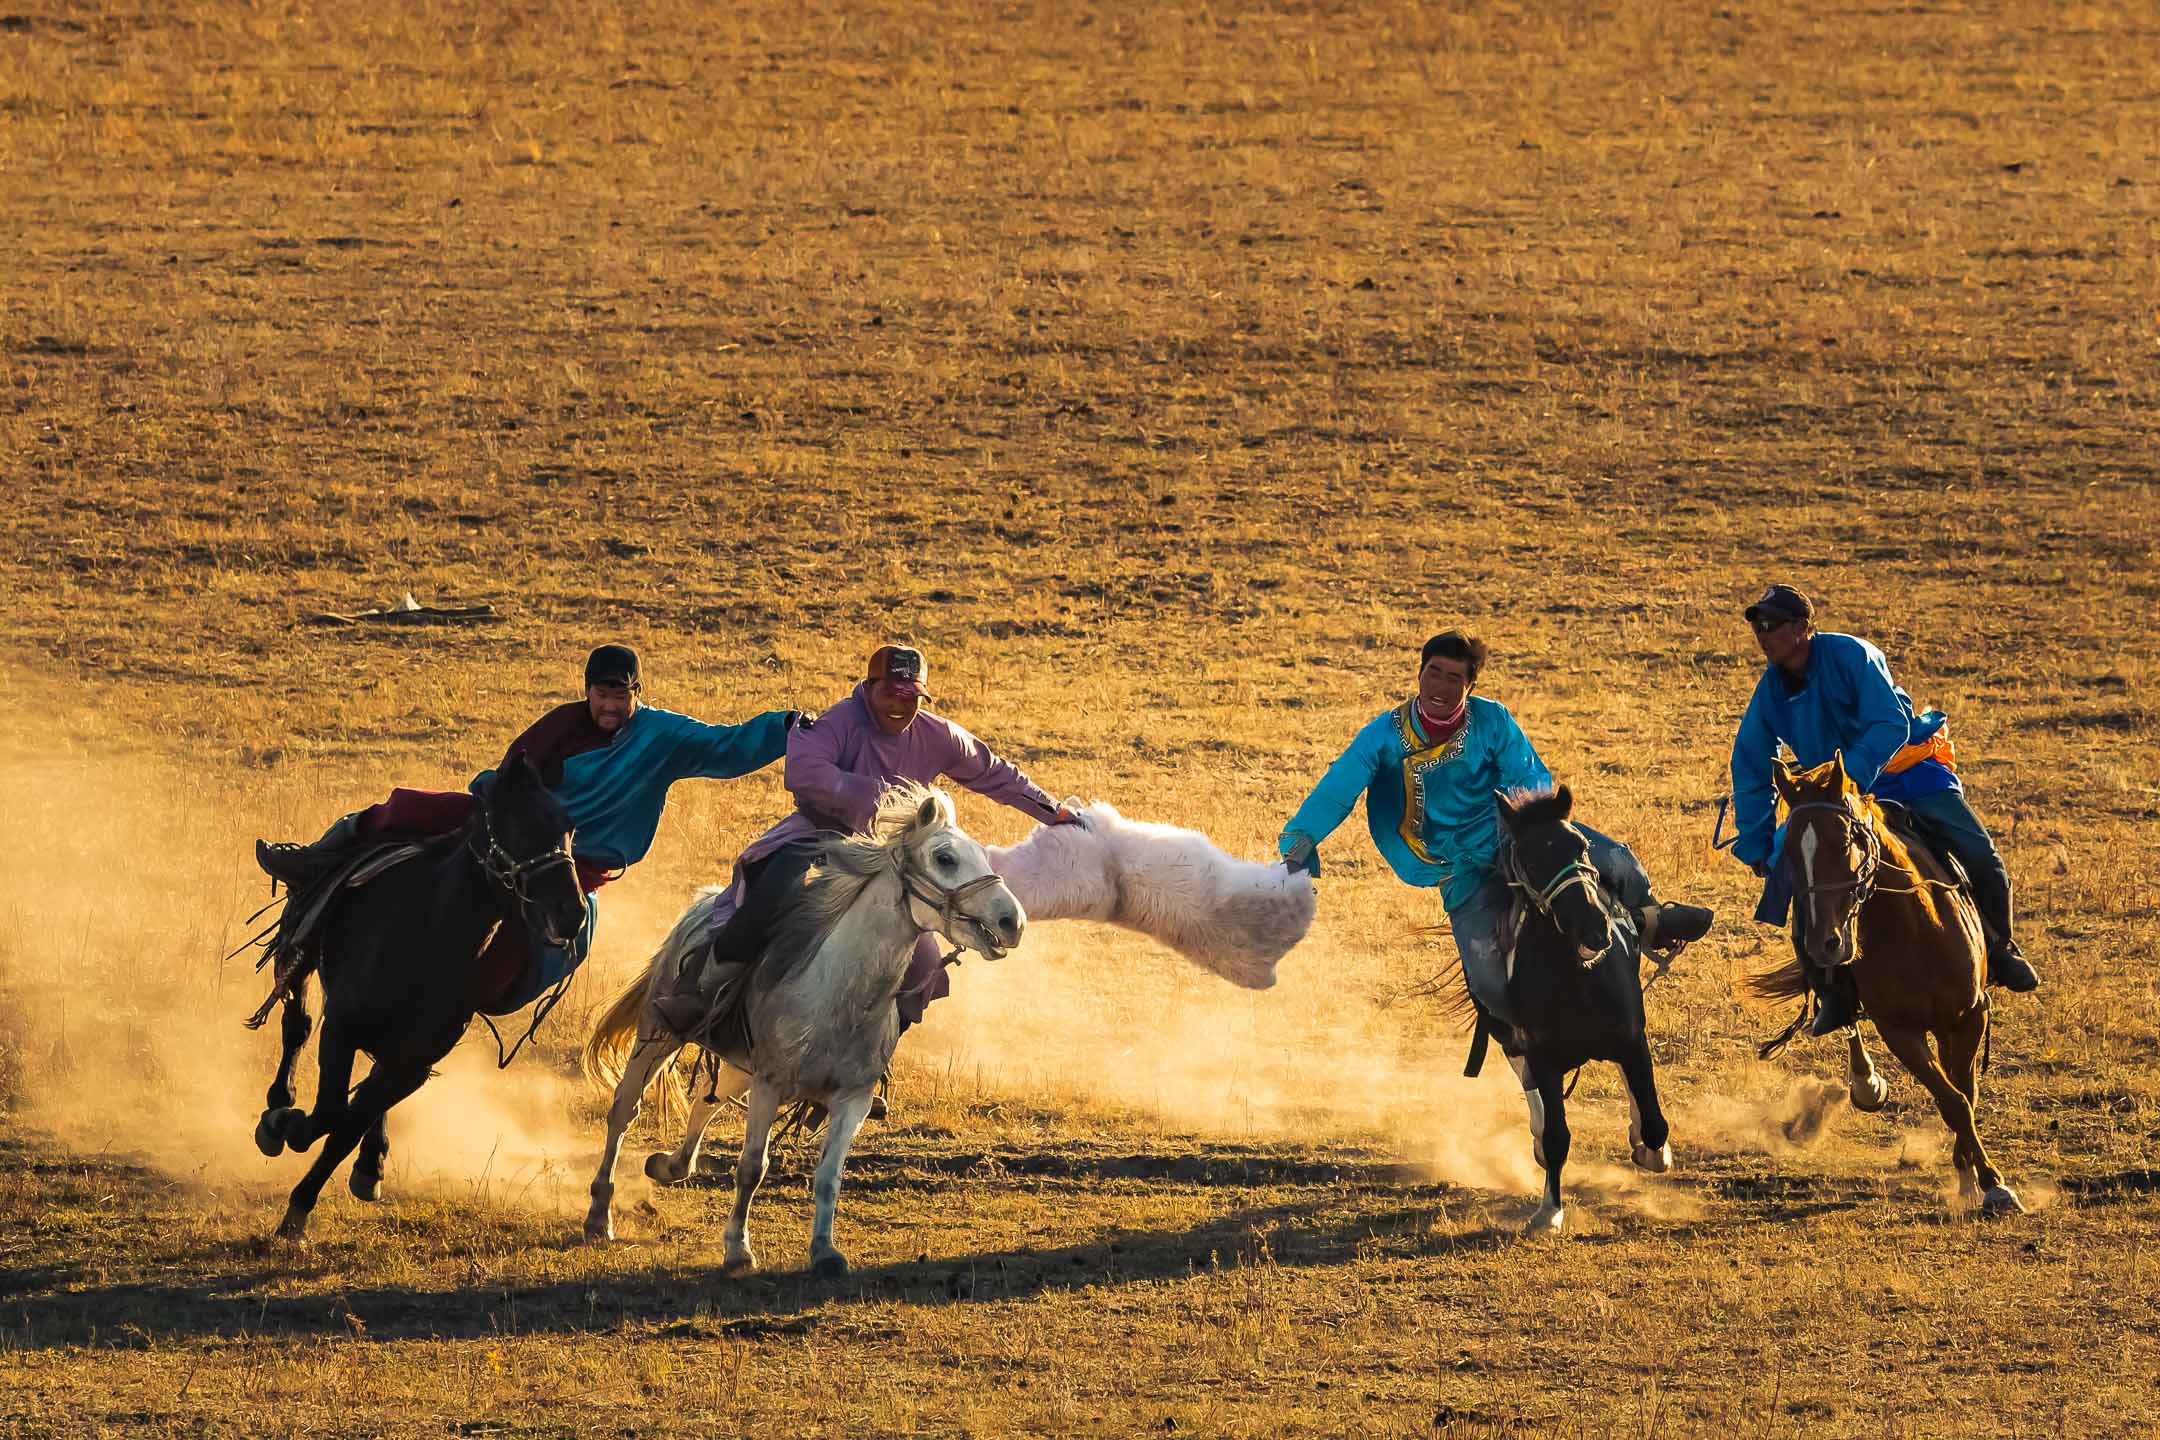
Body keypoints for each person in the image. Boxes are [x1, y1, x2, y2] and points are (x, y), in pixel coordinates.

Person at [255, 644, 801, 1011]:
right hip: (521, 840)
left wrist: (784, 728)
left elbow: (728, 746)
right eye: (601, 694)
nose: (609, 705)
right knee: (408, 808)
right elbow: (514, 771)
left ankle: (456, 1007)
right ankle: (316, 858)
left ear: (638, 692)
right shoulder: (563, 726)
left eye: (620, 694)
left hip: (577, 866)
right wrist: (496, 789)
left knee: (549, 948)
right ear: (588, 692)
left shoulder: (664, 738)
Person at [662, 643, 1078, 1102]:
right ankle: (696, 997)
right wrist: (891, 799)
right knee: (768, 899)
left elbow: (992, 771)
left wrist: (1051, 810)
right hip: (819, 838)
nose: (901, 705)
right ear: (869, 686)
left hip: (894, 860)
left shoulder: (937, 734)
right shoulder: (837, 722)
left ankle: (865, 1066)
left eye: (912, 696)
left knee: (922, 968)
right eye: (891, 693)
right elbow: (806, 774)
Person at [1277, 630, 1712, 1030]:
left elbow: (1529, 778)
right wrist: (1298, 846)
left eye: (1454, 679)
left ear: (1470, 687)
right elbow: (1337, 791)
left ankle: (1649, 918)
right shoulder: (1382, 737)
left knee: (1615, 857)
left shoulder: (1493, 720)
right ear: (1419, 673)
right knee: (1488, 981)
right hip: (1449, 857)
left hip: (1514, 834)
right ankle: (1525, 1035)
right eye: (1434, 673)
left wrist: (1535, 831)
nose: (1441, 688)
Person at [1728, 584, 2039, 1036]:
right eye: (1758, 625)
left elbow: (1890, 723)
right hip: (1835, 793)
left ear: (1802, 627)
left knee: (1980, 854)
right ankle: (1832, 990)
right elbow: (1751, 760)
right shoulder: (1770, 691)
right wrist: (1757, 842)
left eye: (1772, 624)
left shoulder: (1853, 655)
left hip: (1904, 772)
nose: (1762, 633)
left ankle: (2001, 950)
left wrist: (1846, 781)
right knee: (1797, 880)